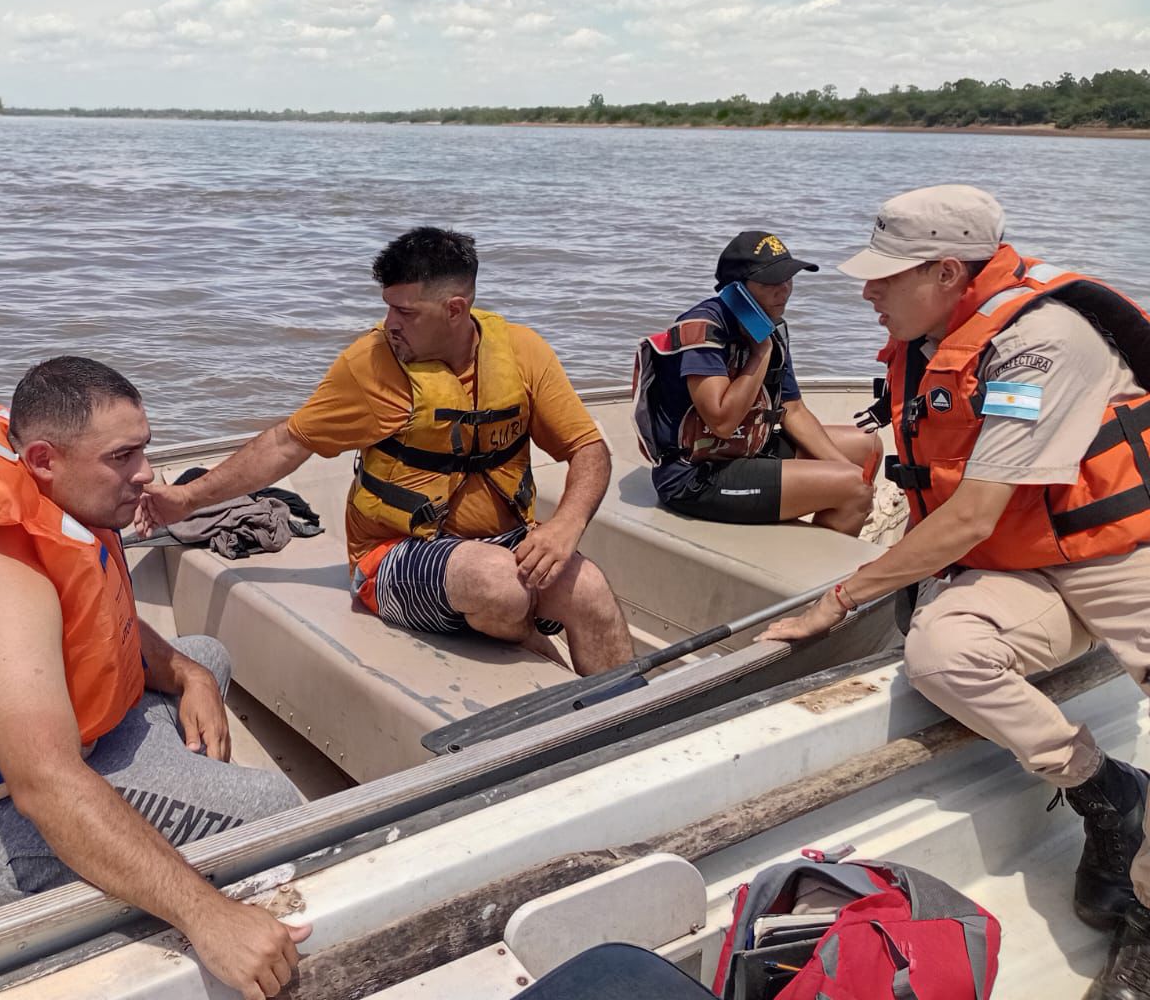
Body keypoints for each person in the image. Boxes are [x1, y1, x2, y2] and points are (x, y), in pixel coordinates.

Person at [755, 185, 1150, 1000]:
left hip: (1125, 559)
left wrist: (841, 599)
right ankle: (1105, 793)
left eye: (884, 277)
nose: (866, 291)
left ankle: (1145, 923)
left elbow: (970, 513)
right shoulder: (930, 336)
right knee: (942, 653)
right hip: (1024, 566)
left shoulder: (1045, 340)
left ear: (945, 271)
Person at [0, 357, 308, 1000]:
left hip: (62, 753)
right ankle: (194, 839)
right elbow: (45, 784)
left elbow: (105, 621)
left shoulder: (57, 507)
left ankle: (180, 801)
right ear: (42, 459)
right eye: (122, 457)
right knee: (278, 813)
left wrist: (188, 673)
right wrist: (208, 917)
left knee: (204, 655)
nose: (146, 473)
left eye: (144, 449)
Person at [135, 226, 634, 677]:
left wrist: (567, 525)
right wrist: (187, 499)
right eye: (388, 306)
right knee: (500, 584)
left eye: (406, 312)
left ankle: (632, 718)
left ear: (455, 309)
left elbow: (588, 448)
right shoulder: (370, 365)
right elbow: (287, 443)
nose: (389, 322)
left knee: (589, 587)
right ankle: (532, 642)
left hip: (503, 540)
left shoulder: (523, 351)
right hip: (390, 558)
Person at [634, 230, 880, 533]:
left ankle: (820, 549)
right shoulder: (703, 330)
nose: (785, 290)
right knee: (854, 486)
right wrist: (760, 352)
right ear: (737, 290)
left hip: (748, 449)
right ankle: (823, 578)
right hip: (695, 476)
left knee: (866, 449)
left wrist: (845, 467)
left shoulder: (770, 326)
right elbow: (722, 422)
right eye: (771, 283)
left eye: (789, 278)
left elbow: (794, 411)